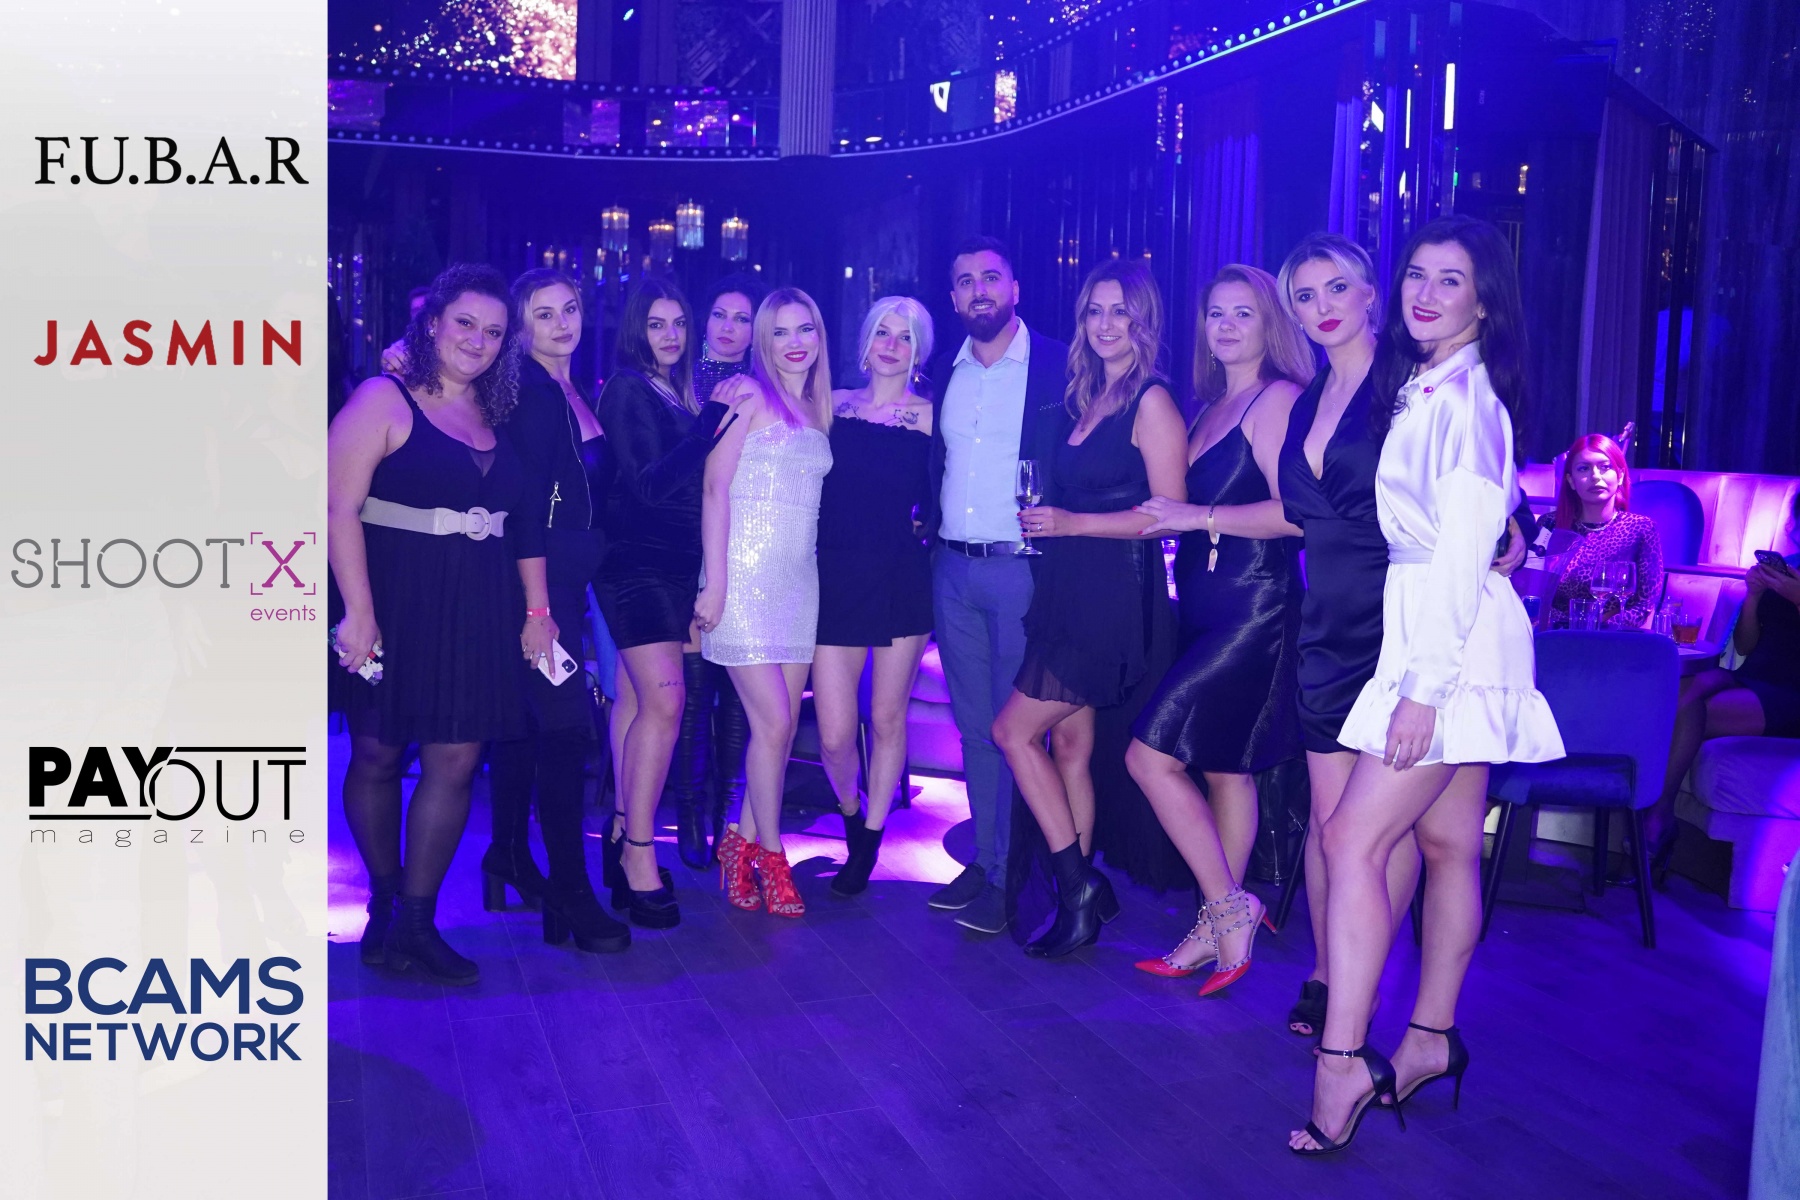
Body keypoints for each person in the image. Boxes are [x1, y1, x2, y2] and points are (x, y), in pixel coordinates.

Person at [1289, 216, 1563, 1155]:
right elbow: (1477, 521)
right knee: (1447, 845)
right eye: (1418, 274)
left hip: (1449, 649)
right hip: (1430, 634)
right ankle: (1431, 1039)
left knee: (1350, 838)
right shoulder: (1426, 384)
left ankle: (1340, 1063)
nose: (1427, 293)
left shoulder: (1468, 397)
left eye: (1451, 279)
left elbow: (1459, 549)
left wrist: (1424, 688)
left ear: (1484, 300)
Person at [329, 263, 549, 986]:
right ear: (432, 323)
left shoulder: (500, 410)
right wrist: (359, 611)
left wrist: (536, 612)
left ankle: (417, 924)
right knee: (378, 755)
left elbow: (523, 522)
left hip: (480, 605)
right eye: (465, 323)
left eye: (494, 332)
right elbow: (335, 508)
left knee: (456, 760)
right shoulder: (382, 397)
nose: (478, 341)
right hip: (393, 598)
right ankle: (385, 903)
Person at [991, 257, 1188, 958]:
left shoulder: (1152, 400)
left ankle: (1076, 890)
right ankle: (1084, 892)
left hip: (1110, 600)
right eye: (1096, 311)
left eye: (1120, 311)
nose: (1107, 325)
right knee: (1070, 748)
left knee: (1012, 734)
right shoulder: (1087, 395)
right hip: (1065, 590)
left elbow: (1168, 515)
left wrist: (1072, 522)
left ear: (1143, 320)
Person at [1126, 264, 1310, 994]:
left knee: (1149, 758)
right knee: (1225, 767)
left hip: (1255, 608)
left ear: (1270, 324)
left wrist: (1196, 516)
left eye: (1243, 313)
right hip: (1204, 607)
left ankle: (1233, 909)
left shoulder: (1278, 398)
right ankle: (1216, 924)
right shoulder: (1208, 408)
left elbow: (1296, 515)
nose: (1226, 326)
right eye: (1215, 313)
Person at [923, 236, 1073, 935]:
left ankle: (1019, 873)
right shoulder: (941, 372)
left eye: (990, 277)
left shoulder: (1058, 364)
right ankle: (986, 862)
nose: (978, 289)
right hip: (952, 568)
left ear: (1015, 288)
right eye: (964, 280)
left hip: (1025, 570)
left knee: (1019, 733)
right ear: (953, 298)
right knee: (976, 728)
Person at [480, 268, 632, 954]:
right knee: (568, 732)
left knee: (530, 727)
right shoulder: (533, 395)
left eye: (569, 308)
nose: (562, 323)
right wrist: (538, 609)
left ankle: (509, 854)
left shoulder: (570, 387)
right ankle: (570, 891)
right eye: (543, 314)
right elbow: (526, 513)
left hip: (571, 580)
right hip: (543, 588)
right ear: (521, 327)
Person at [593, 278, 733, 930]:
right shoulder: (627, 388)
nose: (671, 335)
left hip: (674, 568)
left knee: (634, 701)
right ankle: (642, 854)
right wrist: (707, 427)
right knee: (666, 703)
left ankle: (624, 831)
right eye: (656, 324)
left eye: (679, 323)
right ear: (636, 331)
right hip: (636, 566)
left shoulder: (676, 389)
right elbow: (648, 485)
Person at [698, 288, 835, 917]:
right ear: (763, 342)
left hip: (799, 584)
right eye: (780, 332)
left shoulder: (818, 408)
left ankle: (738, 845)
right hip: (743, 582)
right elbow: (714, 488)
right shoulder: (748, 395)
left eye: (805, 329)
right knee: (775, 725)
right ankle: (773, 857)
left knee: (774, 737)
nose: (795, 343)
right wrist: (715, 585)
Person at [814, 296, 937, 895]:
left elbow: (947, 494)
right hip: (834, 575)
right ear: (865, 340)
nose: (891, 345)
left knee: (886, 718)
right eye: (883, 333)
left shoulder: (933, 417)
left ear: (919, 351)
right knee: (834, 733)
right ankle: (850, 812)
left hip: (899, 577)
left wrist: (928, 525)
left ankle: (871, 835)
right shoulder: (831, 404)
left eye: (905, 337)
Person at [1647, 491, 1800, 875]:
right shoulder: (1788, 569)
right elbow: (1747, 645)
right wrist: (1754, 596)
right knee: (1682, 691)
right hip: (1755, 675)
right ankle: (1654, 818)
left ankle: (1656, 819)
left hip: (1792, 693)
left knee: (1690, 712)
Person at [670, 274, 765, 868]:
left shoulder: (766, 386)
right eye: (720, 315)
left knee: (737, 697)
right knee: (693, 690)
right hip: (683, 546)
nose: (730, 328)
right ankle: (687, 814)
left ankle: (726, 814)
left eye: (742, 318)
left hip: (745, 548)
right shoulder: (678, 379)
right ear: (703, 321)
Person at [1546, 433, 1663, 629]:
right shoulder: (1549, 525)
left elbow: (1644, 606)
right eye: (1583, 468)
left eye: (1605, 467)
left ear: (1620, 476)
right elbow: (1531, 591)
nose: (1595, 476)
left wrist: (1596, 626)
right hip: (1555, 635)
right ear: (1571, 481)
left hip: (1615, 638)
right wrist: (1569, 625)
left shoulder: (1641, 529)